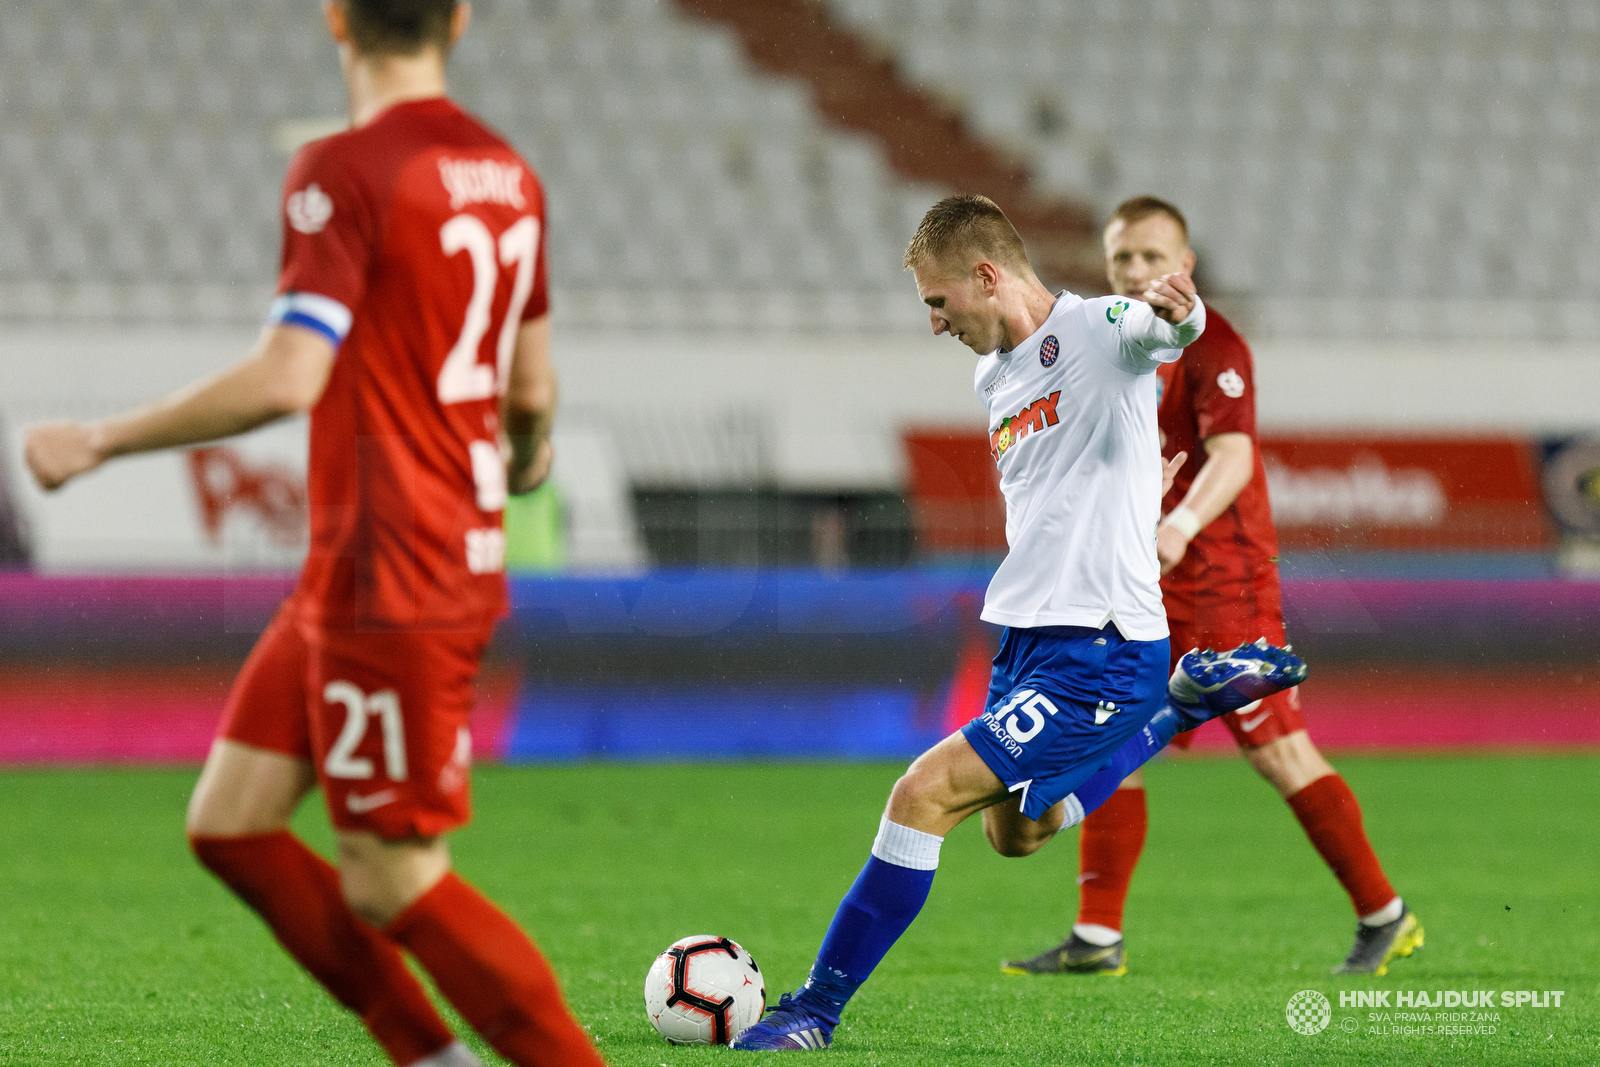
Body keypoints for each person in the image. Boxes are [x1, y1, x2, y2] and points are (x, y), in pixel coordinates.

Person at [24, 4, 604, 1065]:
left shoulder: (340, 167)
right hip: (405, 549)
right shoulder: (509, 175)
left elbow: (293, 373)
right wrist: (526, 452)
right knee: (232, 821)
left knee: (392, 876)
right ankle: (432, 1056)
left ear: (335, 18)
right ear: (460, 20)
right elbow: (531, 387)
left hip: (393, 560)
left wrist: (101, 438)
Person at [730, 194, 1307, 1052]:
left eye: (937, 301)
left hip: (1102, 646)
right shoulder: (994, 373)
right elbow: (1067, 481)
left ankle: (813, 1009)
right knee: (1016, 832)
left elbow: (1156, 334)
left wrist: (1180, 319)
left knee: (920, 795)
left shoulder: (1100, 328)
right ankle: (1182, 706)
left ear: (986, 275)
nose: (934, 323)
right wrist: (1138, 480)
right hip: (1029, 637)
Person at [1001, 196, 1421, 980]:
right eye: (1122, 258)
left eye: (1152, 257)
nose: (1135, 272)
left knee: (1280, 751)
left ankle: (1384, 913)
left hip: (1223, 580)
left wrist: (1182, 523)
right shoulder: (1116, 340)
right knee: (1112, 745)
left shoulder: (1212, 342)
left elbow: (1233, 454)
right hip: (1146, 586)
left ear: (1184, 264)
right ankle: (1097, 936)